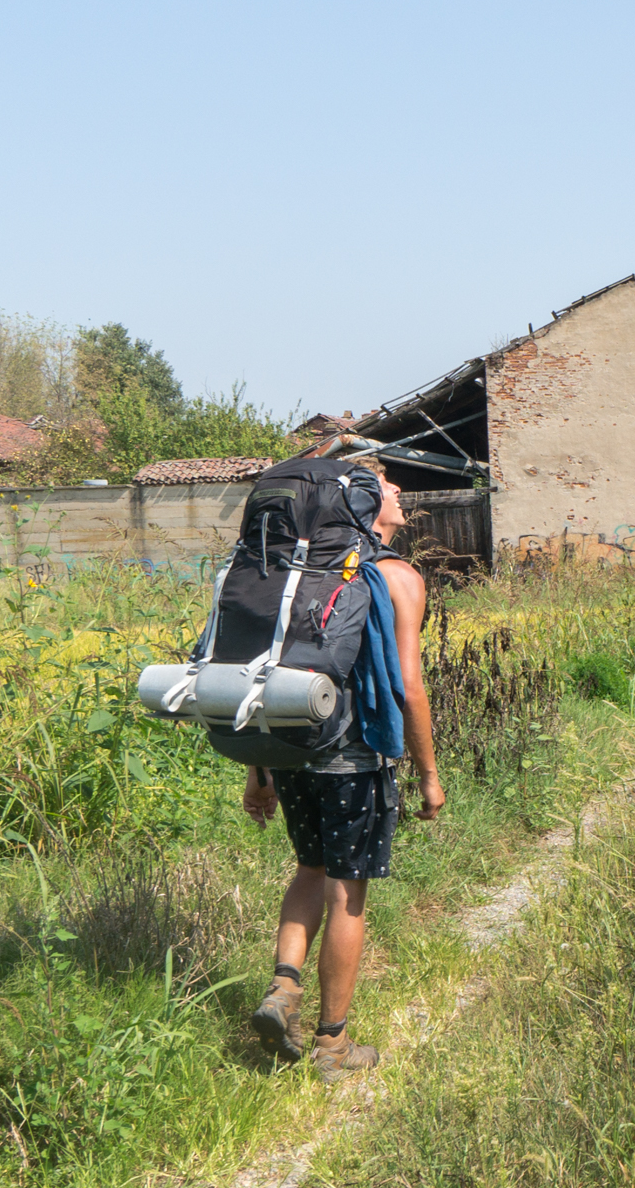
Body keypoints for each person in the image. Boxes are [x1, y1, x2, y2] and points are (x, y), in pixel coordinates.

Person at [240, 458, 443, 1082]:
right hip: (354, 755)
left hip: (291, 746)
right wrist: (429, 774)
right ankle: (334, 1046)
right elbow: (410, 686)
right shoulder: (395, 577)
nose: (400, 490)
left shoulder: (291, 572)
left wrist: (258, 770)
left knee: (308, 867)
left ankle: (283, 990)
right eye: (387, 484)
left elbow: (259, 669)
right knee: (347, 892)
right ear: (358, 502)